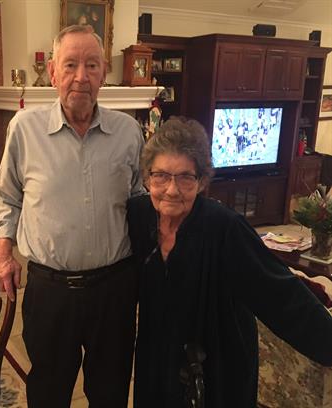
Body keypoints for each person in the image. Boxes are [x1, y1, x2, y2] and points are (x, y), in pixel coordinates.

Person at [0, 25, 145, 407]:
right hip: (50, 292)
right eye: (70, 64)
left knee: (110, 392)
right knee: (49, 392)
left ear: (103, 73)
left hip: (114, 289)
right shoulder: (24, 129)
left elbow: (141, 198)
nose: (81, 76)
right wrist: (3, 253)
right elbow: (7, 196)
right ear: (53, 72)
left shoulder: (128, 131)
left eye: (92, 65)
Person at [127, 116, 332, 408]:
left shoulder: (225, 227)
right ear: (147, 179)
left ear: (202, 182)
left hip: (218, 364)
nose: (171, 189)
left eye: (185, 177)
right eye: (161, 176)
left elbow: (279, 294)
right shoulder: (138, 217)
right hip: (158, 360)